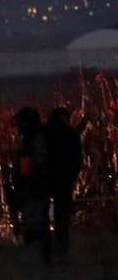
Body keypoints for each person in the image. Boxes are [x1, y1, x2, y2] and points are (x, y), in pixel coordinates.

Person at [11, 106, 52, 264]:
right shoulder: (37, 139)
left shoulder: (34, 141)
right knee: (35, 225)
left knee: (35, 226)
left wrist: (19, 181)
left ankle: (40, 261)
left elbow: (26, 169)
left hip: (34, 190)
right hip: (35, 189)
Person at [44, 106, 83, 259]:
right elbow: (77, 160)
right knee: (62, 217)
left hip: (45, 180)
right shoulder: (70, 134)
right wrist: (71, 177)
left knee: (43, 215)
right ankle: (61, 250)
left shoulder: (44, 133)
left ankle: (45, 251)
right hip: (64, 181)